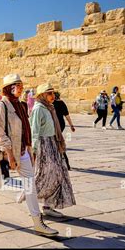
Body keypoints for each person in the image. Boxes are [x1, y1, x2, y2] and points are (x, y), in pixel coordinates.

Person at [0, 74, 58, 236]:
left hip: (23, 151)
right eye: (18, 85)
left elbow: (26, 131)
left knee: (30, 186)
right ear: (10, 87)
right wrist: (10, 156)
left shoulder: (21, 106)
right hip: (6, 154)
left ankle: (37, 222)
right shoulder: (2, 105)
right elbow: (0, 133)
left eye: (22, 85)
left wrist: (30, 150)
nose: (22, 88)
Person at [31, 83, 76, 217]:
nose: (53, 96)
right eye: (49, 93)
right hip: (43, 145)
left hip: (53, 143)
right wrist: (34, 151)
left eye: (53, 93)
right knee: (45, 175)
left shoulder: (50, 108)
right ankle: (30, 197)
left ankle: (47, 205)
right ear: (42, 95)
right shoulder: (38, 109)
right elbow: (34, 130)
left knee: (57, 174)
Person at [53, 91, 75, 170]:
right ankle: (65, 162)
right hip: (61, 124)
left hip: (54, 125)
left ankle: (64, 162)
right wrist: (71, 125)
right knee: (58, 141)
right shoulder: (62, 103)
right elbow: (67, 115)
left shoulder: (51, 104)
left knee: (57, 142)